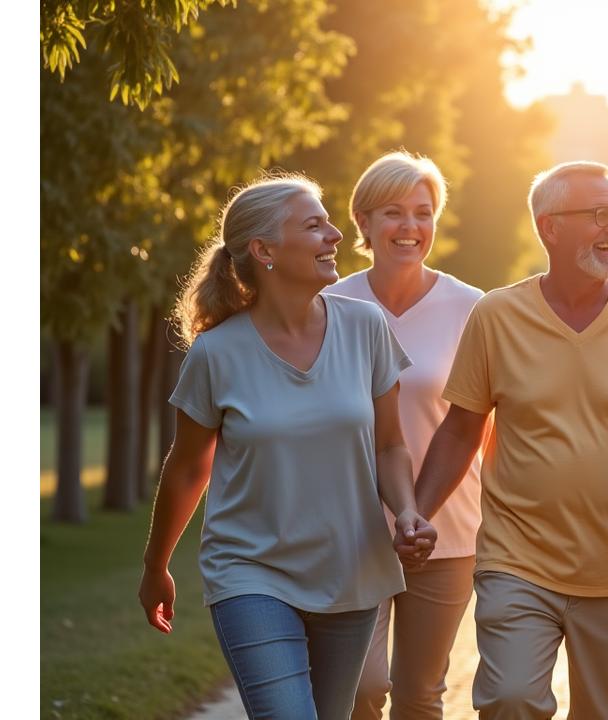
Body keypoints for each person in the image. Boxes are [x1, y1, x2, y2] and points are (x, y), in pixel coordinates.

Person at [138, 173, 435, 719]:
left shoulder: (365, 327)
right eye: (314, 225)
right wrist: (157, 565)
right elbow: (186, 471)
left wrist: (408, 512)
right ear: (265, 250)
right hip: (251, 571)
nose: (336, 236)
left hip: (351, 569)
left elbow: (390, 446)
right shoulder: (216, 353)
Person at [407, 161, 608, 719]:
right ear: (550, 227)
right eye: (600, 215)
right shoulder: (497, 315)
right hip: (517, 559)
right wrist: (417, 514)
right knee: (510, 699)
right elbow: (462, 429)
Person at [323, 151, 485, 720]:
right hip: (349, 531)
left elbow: (482, 425)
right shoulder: (330, 304)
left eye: (423, 212)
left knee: (419, 693)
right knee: (361, 689)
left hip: (444, 531)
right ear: (363, 222)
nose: (411, 227)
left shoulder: (472, 309)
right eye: (393, 212)